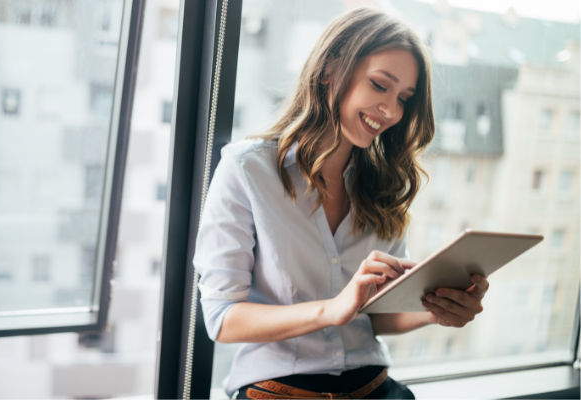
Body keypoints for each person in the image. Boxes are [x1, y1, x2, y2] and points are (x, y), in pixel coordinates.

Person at [194, 7, 490, 400]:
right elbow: (222, 318)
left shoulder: (382, 185)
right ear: (332, 68)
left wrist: (438, 311)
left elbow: (377, 316)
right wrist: (332, 308)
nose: (391, 111)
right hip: (278, 390)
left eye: (404, 98)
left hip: (376, 388)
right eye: (380, 85)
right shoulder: (246, 170)